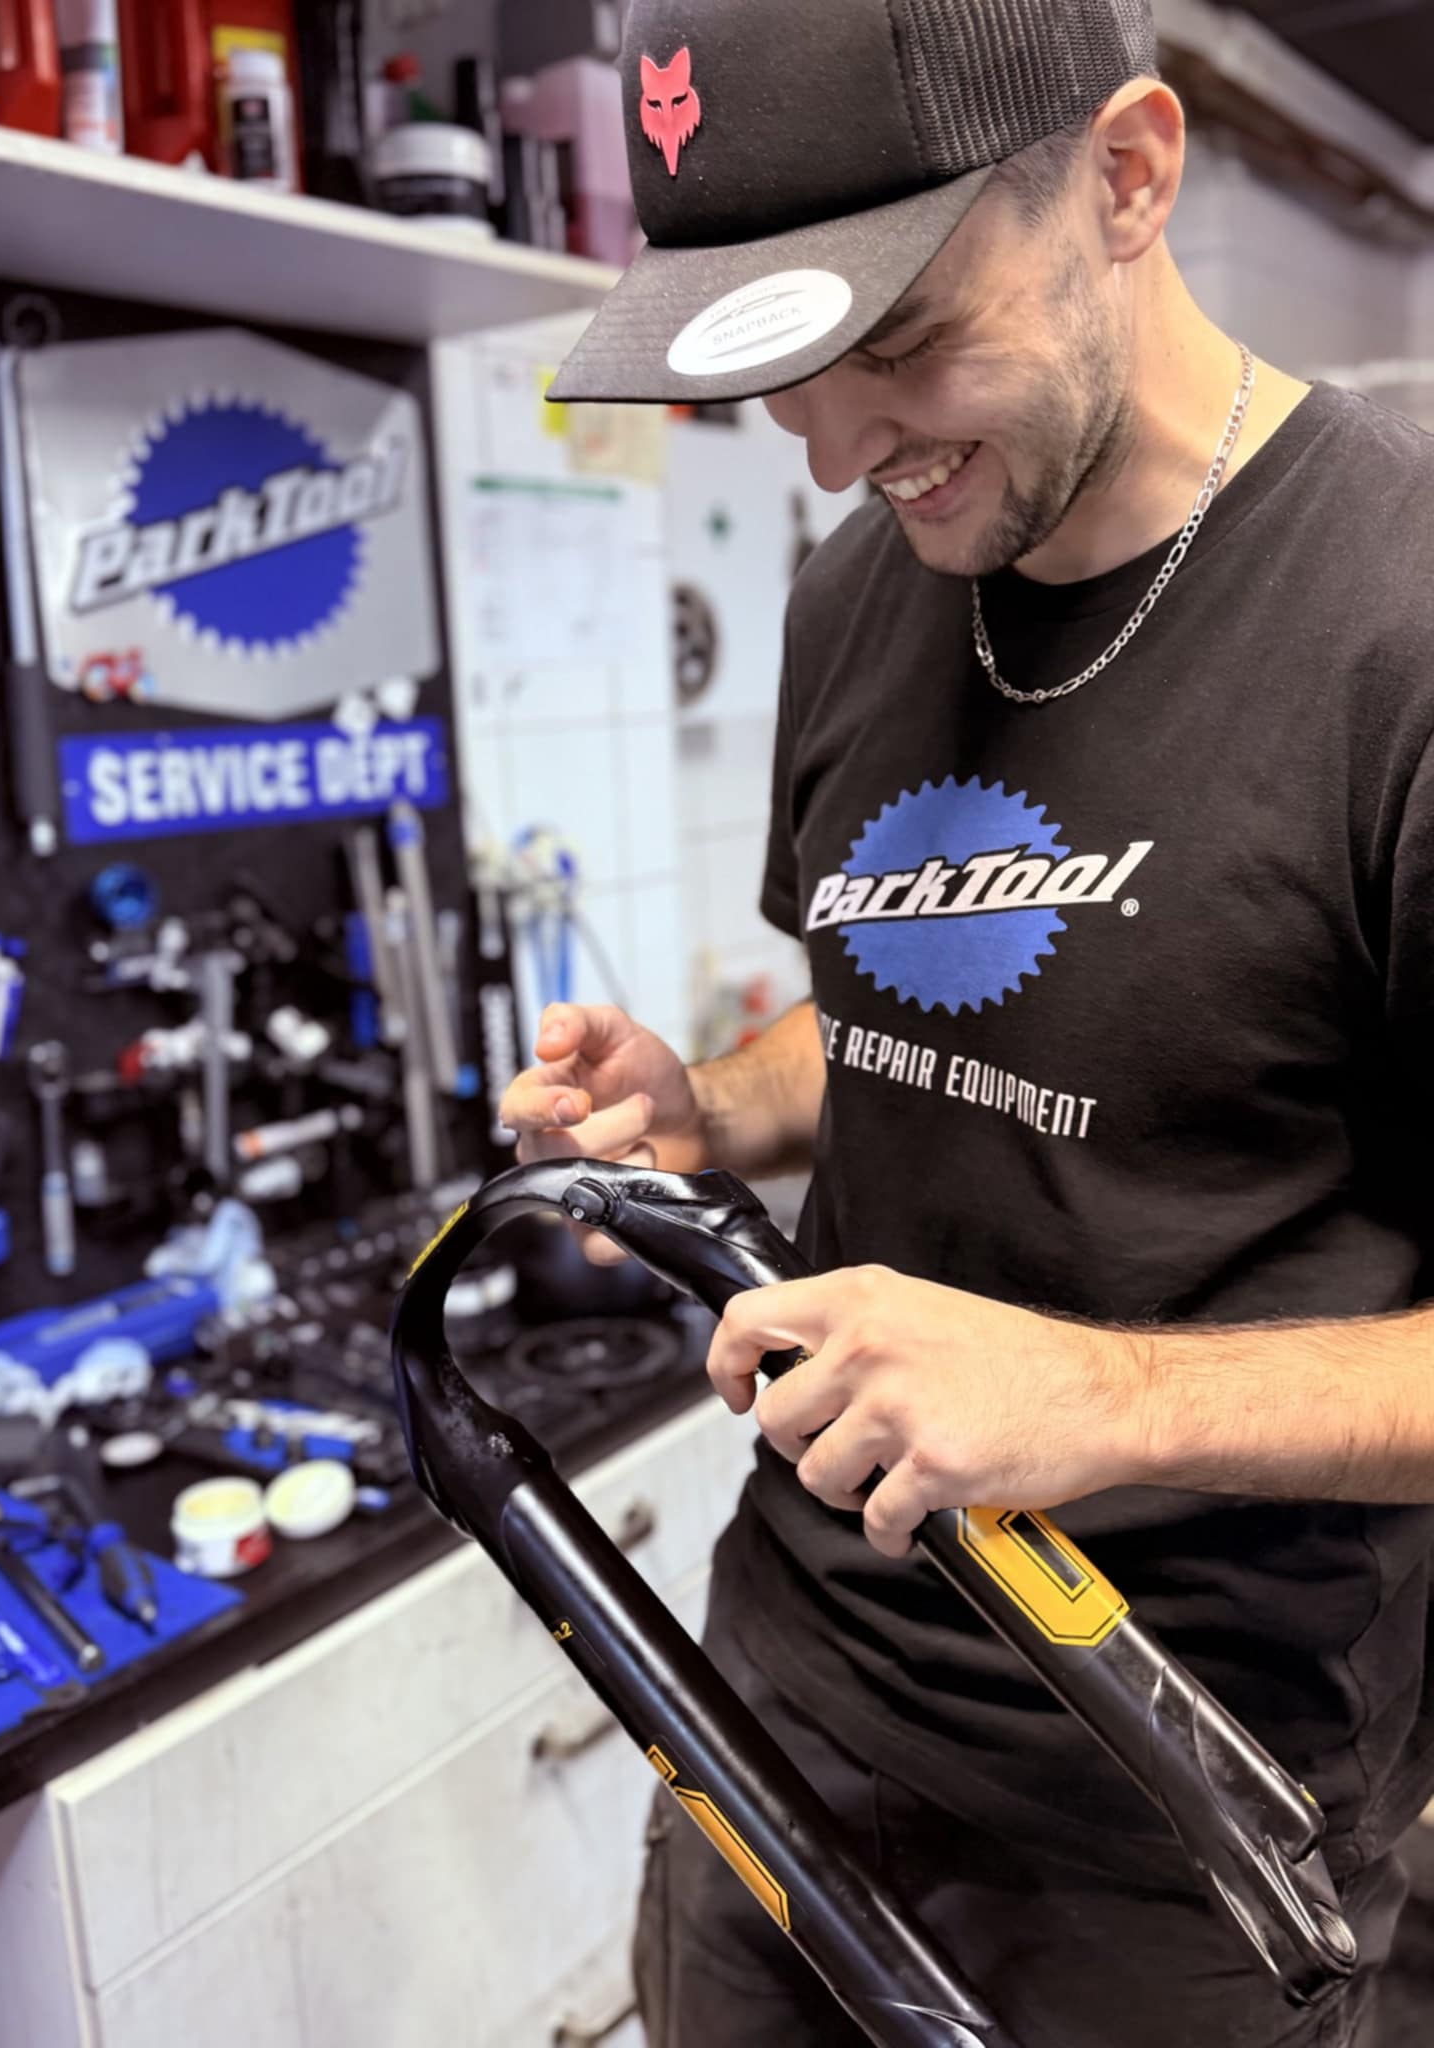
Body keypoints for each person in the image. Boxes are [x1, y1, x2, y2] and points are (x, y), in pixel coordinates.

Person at [503, 2, 1434, 2042]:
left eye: (905, 340)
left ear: (1128, 177)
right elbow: (903, 1007)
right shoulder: (861, 590)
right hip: (773, 1712)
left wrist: (1105, 1396)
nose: (841, 452)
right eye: (785, 377)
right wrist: (707, 1100)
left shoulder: (1400, 621)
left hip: (1177, 1826)